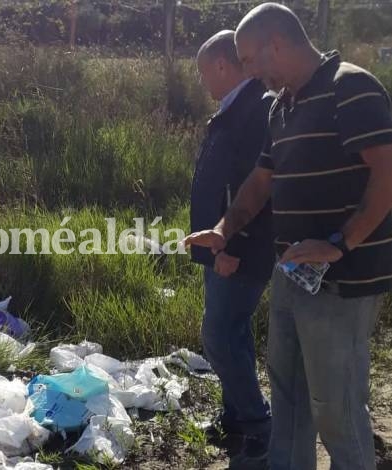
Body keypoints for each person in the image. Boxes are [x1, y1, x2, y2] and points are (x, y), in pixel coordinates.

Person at [186, 3, 392, 469]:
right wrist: (223, 230)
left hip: (344, 280)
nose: (250, 72)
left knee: (335, 409)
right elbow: (260, 182)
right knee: (289, 400)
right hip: (292, 275)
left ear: (275, 44)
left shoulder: (351, 88)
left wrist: (340, 243)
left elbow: (387, 174)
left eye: (250, 60)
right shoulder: (280, 106)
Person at [190, 30, 274, 468]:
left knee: (220, 336)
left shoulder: (256, 111)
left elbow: (254, 190)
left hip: (237, 249)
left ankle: (259, 426)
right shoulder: (235, 109)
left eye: (205, 71)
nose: (203, 81)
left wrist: (228, 246)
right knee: (230, 333)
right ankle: (235, 417)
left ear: (222, 65)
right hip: (219, 246)